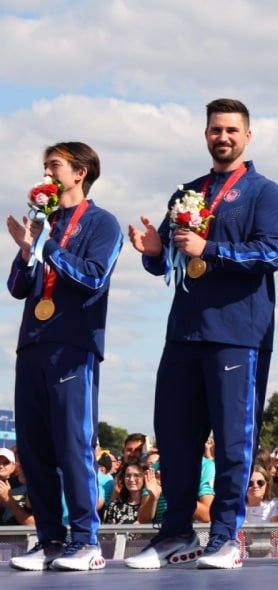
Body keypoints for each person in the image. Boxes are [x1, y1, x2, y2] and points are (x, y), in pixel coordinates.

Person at [125, 98, 278, 570]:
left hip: (238, 334)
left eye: (232, 130)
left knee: (234, 441)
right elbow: (170, 259)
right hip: (183, 333)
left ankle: (225, 537)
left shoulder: (265, 192)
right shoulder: (187, 193)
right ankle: (176, 533)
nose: (224, 137)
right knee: (175, 439)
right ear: (205, 135)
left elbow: (272, 252)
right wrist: (153, 252)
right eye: (216, 129)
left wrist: (209, 248)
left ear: (248, 136)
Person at [6, 142, 122, 572]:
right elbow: (18, 287)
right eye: (44, 167)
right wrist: (26, 250)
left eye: (54, 166)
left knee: (73, 444)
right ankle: (50, 539)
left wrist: (49, 244)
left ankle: (86, 540)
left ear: (80, 172)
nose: (47, 174)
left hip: (74, 347)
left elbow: (93, 278)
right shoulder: (45, 223)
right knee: (34, 448)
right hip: (33, 342)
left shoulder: (101, 223)